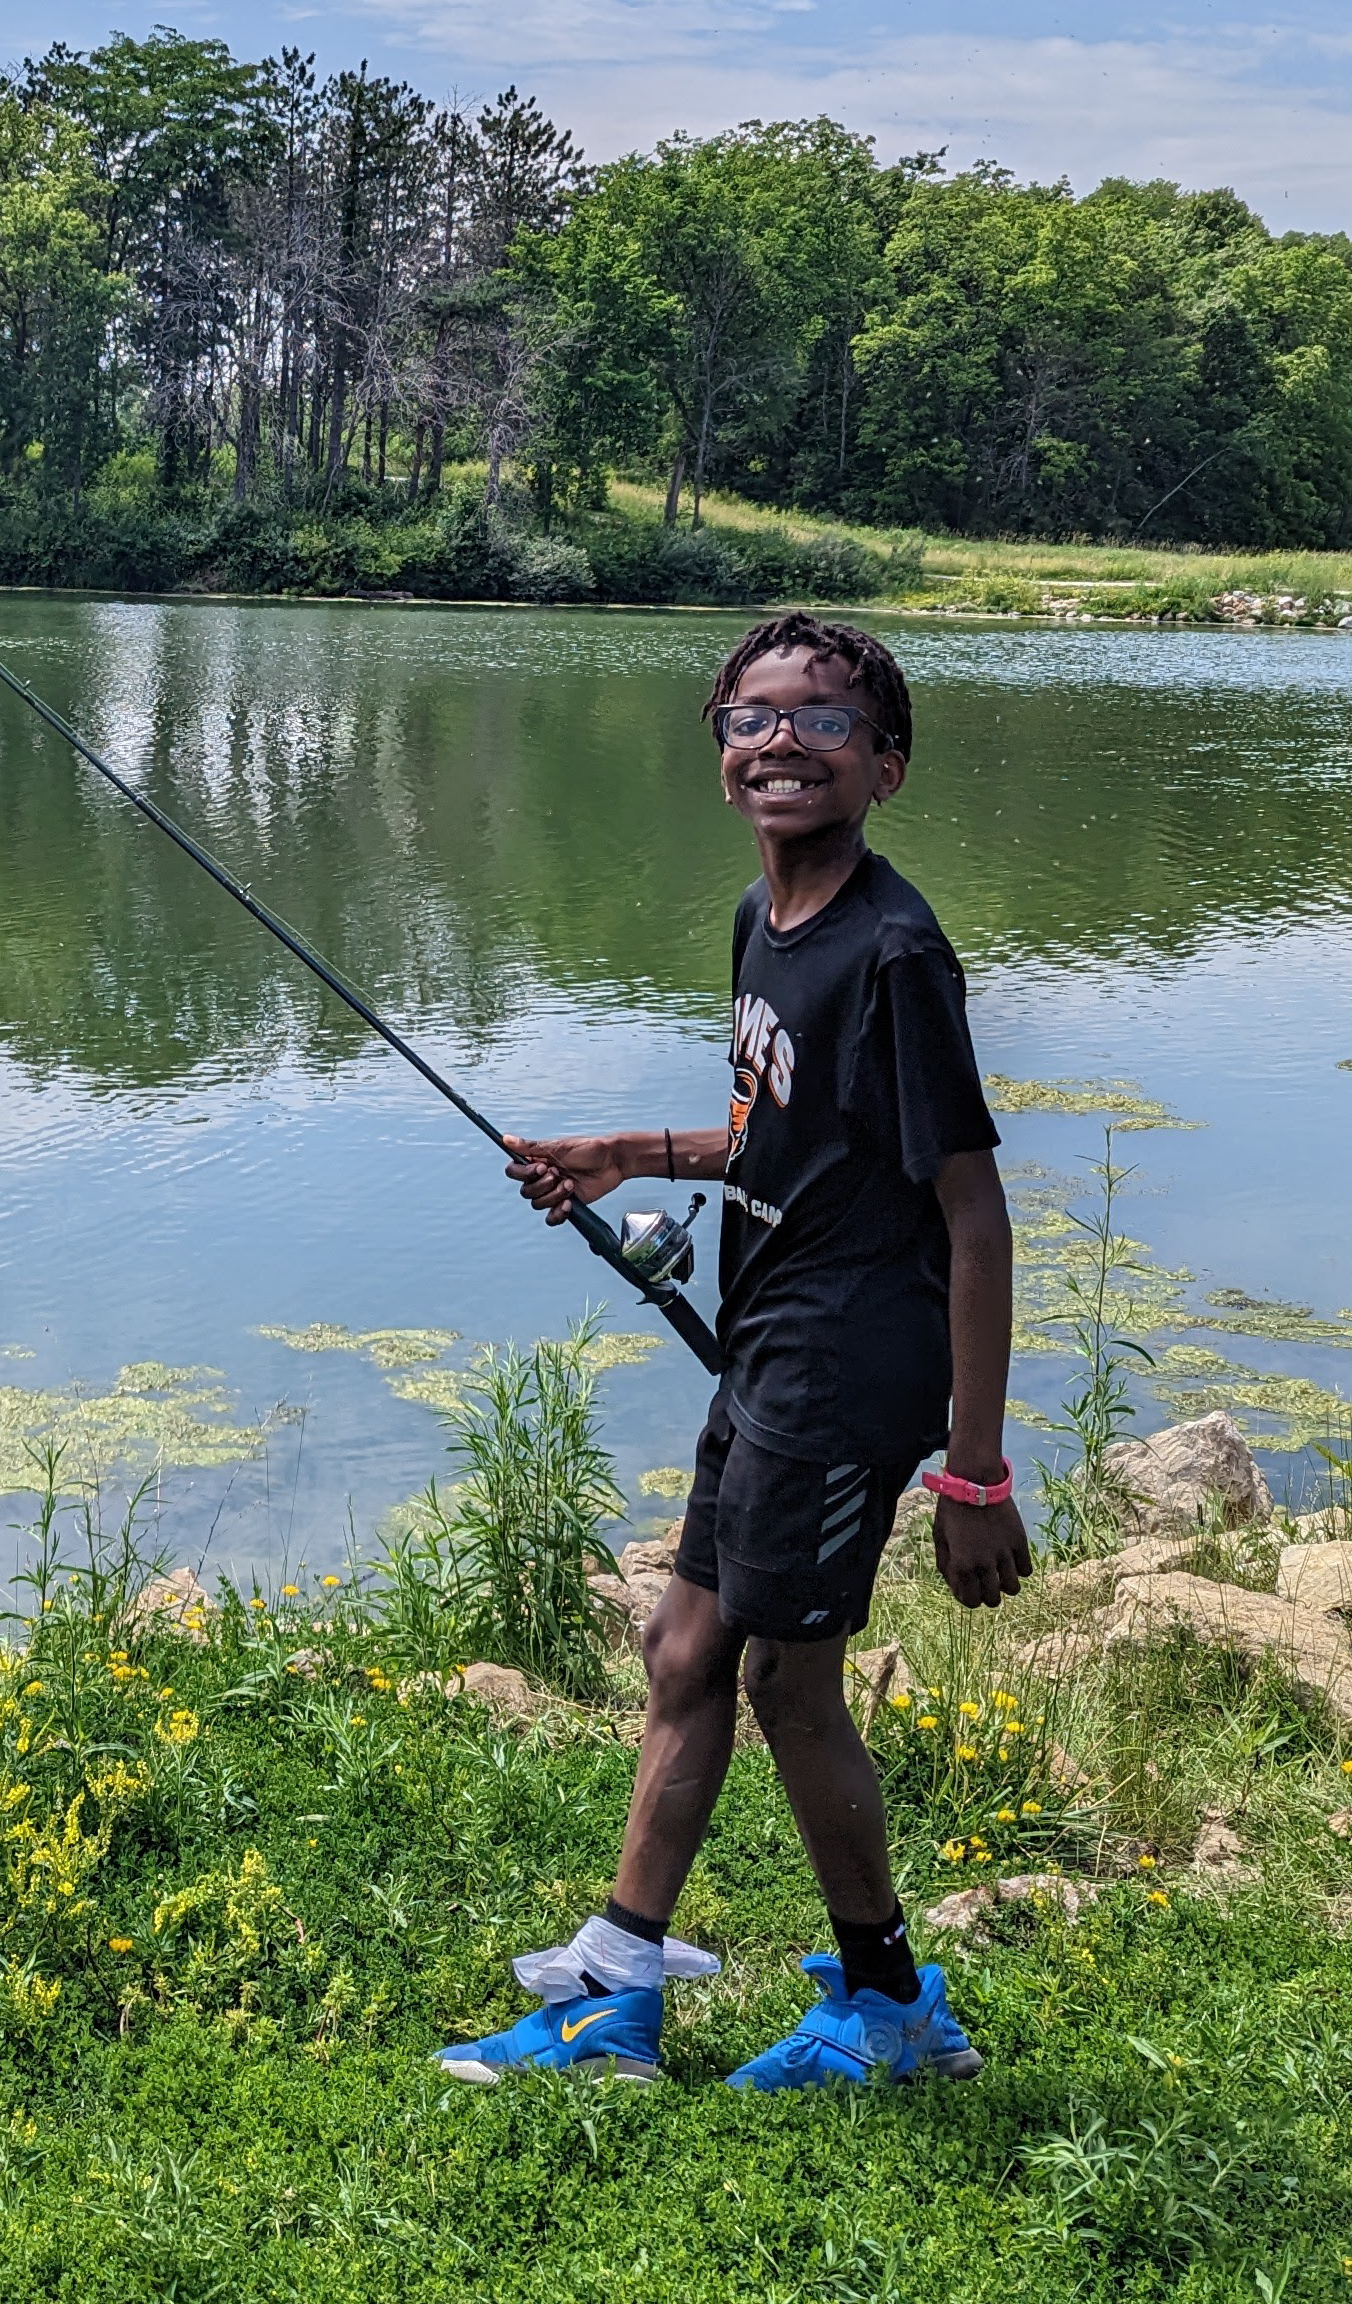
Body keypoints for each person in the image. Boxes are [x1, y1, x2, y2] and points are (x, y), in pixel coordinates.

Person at [436, 612, 1030, 2091]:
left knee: (785, 1684)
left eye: (824, 721)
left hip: (847, 1365)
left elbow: (974, 1219)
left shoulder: (893, 954)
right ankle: (622, 1978)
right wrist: (628, 1152)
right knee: (684, 1642)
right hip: (778, 1345)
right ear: (718, 761)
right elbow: (786, 1138)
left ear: (884, 767)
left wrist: (973, 1473)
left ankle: (887, 2010)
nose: (783, 740)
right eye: (755, 717)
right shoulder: (769, 922)